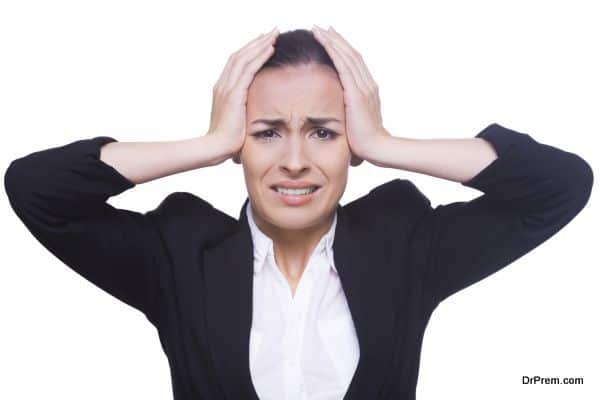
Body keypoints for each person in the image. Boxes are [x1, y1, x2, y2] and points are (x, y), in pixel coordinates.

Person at [3, 25, 593, 400]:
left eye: (321, 132)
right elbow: (35, 189)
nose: (293, 161)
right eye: (265, 133)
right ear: (239, 143)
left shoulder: (404, 246)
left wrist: (385, 144)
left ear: (350, 145)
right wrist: (209, 143)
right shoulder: (179, 256)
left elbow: (561, 185)